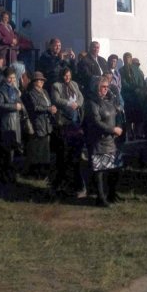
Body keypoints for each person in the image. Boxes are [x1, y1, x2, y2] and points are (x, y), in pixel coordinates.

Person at [84, 75, 124, 207]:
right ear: (97, 88)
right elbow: (96, 122)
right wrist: (113, 130)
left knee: (115, 169)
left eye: (107, 87)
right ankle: (100, 198)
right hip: (98, 141)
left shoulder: (108, 101)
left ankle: (112, 194)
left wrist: (118, 128)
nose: (105, 90)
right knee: (100, 170)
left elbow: (116, 114)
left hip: (111, 141)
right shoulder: (92, 103)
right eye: (103, 87)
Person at [50, 66, 86, 197]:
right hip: (63, 121)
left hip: (75, 121)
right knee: (63, 153)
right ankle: (61, 184)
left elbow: (81, 97)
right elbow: (56, 100)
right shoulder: (56, 86)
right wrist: (69, 103)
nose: (67, 78)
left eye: (69, 76)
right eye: (65, 76)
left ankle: (75, 184)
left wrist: (77, 104)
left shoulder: (74, 84)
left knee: (75, 154)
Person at [22, 72, 57, 178]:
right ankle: (36, 172)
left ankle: (43, 171)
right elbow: (35, 107)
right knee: (38, 148)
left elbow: (49, 104)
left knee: (45, 148)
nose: (41, 82)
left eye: (42, 80)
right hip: (38, 122)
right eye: (39, 80)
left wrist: (52, 108)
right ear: (34, 82)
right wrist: (48, 109)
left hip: (47, 122)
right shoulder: (31, 93)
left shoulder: (45, 92)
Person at [119, 52, 147, 139]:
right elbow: (123, 83)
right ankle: (130, 133)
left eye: (129, 58)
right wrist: (133, 88)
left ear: (131, 59)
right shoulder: (121, 70)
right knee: (128, 116)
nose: (127, 60)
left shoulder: (136, 69)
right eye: (125, 59)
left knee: (138, 115)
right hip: (128, 96)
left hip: (138, 96)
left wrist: (139, 89)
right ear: (123, 60)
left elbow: (141, 80)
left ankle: (138, 132)